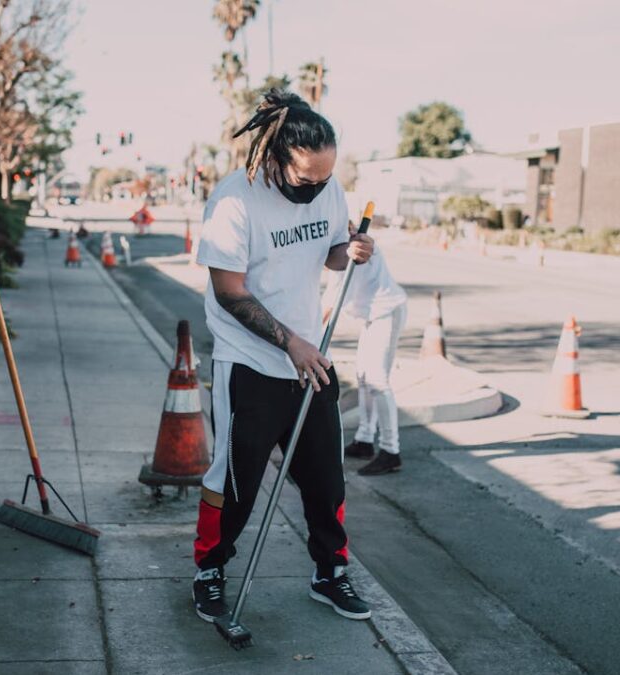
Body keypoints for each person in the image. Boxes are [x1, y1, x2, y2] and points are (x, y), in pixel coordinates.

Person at [191, 90, 375, 623]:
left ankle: (330, 573)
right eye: (305, 181)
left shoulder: (327, 188)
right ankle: (209, 569)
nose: (316, 189)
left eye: (324, 180)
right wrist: (289, 342)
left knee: (326, 478)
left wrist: (353, 251)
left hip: (310, 362)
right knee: (234, 482)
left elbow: (332, 255)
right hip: (249, 362)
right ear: (274, 157)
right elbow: (229, 290)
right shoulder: (234, 200)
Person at [323, 227, 408, 476]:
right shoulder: (341, 249)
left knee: (377, 380)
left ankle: (391, 452)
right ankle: (364, 440)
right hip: (373, 316)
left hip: (387, 312)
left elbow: (334, 300)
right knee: (363, 377)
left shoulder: (355, 249)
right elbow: (332, 295)